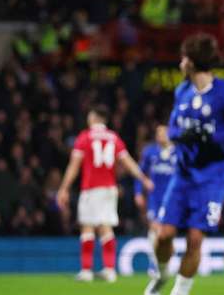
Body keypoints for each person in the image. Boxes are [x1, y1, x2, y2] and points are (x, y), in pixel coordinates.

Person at [144, 33, 224, 295]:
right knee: (164, 235)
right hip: (183, 174)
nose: (181, 62)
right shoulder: (181, 91)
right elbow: (173, 129)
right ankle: (161, 275)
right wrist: (181, 135)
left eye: (184, 57)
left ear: (193, 62)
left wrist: (213, 136)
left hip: (213, 177)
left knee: (195, 238)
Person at [57, 104, 153, 282]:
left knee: (87, 226)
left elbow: (74, 165)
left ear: (93, 117)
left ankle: (86, 271)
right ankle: (109, 270)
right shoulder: (113, 138)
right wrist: (143, 178)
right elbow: (128, 161)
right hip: (110, 188)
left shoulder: (84, 137)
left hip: (91, 188)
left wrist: (63, 188)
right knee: (106, 227)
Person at [134, 124, 176, 271]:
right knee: (154, 228)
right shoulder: (150, 152)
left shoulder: (178, 153)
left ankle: (165, 262)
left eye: (163, 133)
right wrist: (138, 192)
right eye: (158, 133)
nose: (160, 136)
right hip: (154, 198)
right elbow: (140, 173)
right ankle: (154, 263)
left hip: (172, 199)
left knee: (166, 233)